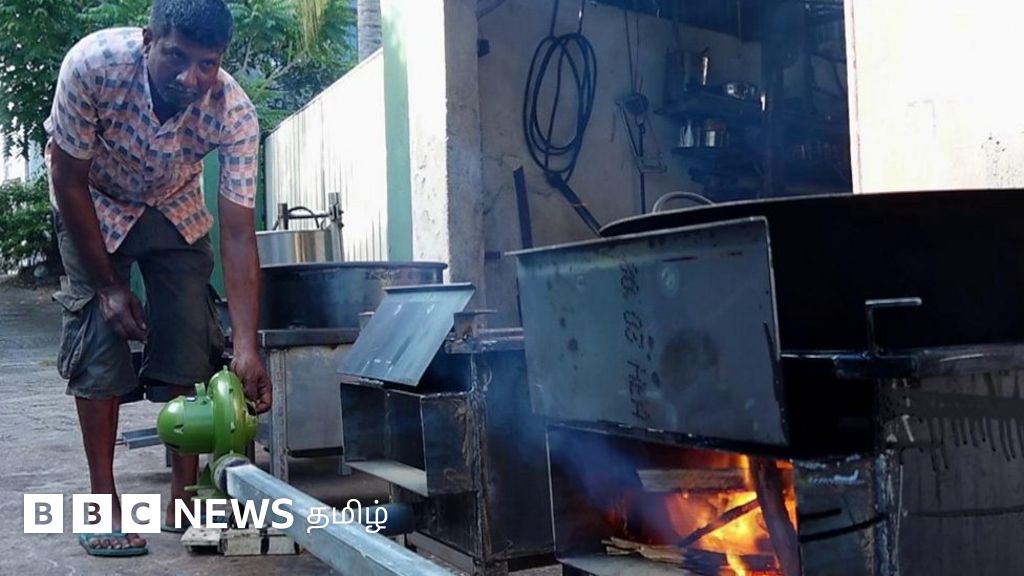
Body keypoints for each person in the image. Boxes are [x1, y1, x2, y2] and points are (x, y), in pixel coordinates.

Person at [45, 0, 272, 556]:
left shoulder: (236, 113)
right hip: (92, 199)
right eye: (176, 57)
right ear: (150, 39)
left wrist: (246, 345)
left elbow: (238, 234)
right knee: (100, 340)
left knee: (191, 334)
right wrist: (107, 286)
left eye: (207, 64)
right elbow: (66, 175)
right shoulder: (91, 65)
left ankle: (184, 495)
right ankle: (104, 503)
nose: (190, 78)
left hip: (174, 202)